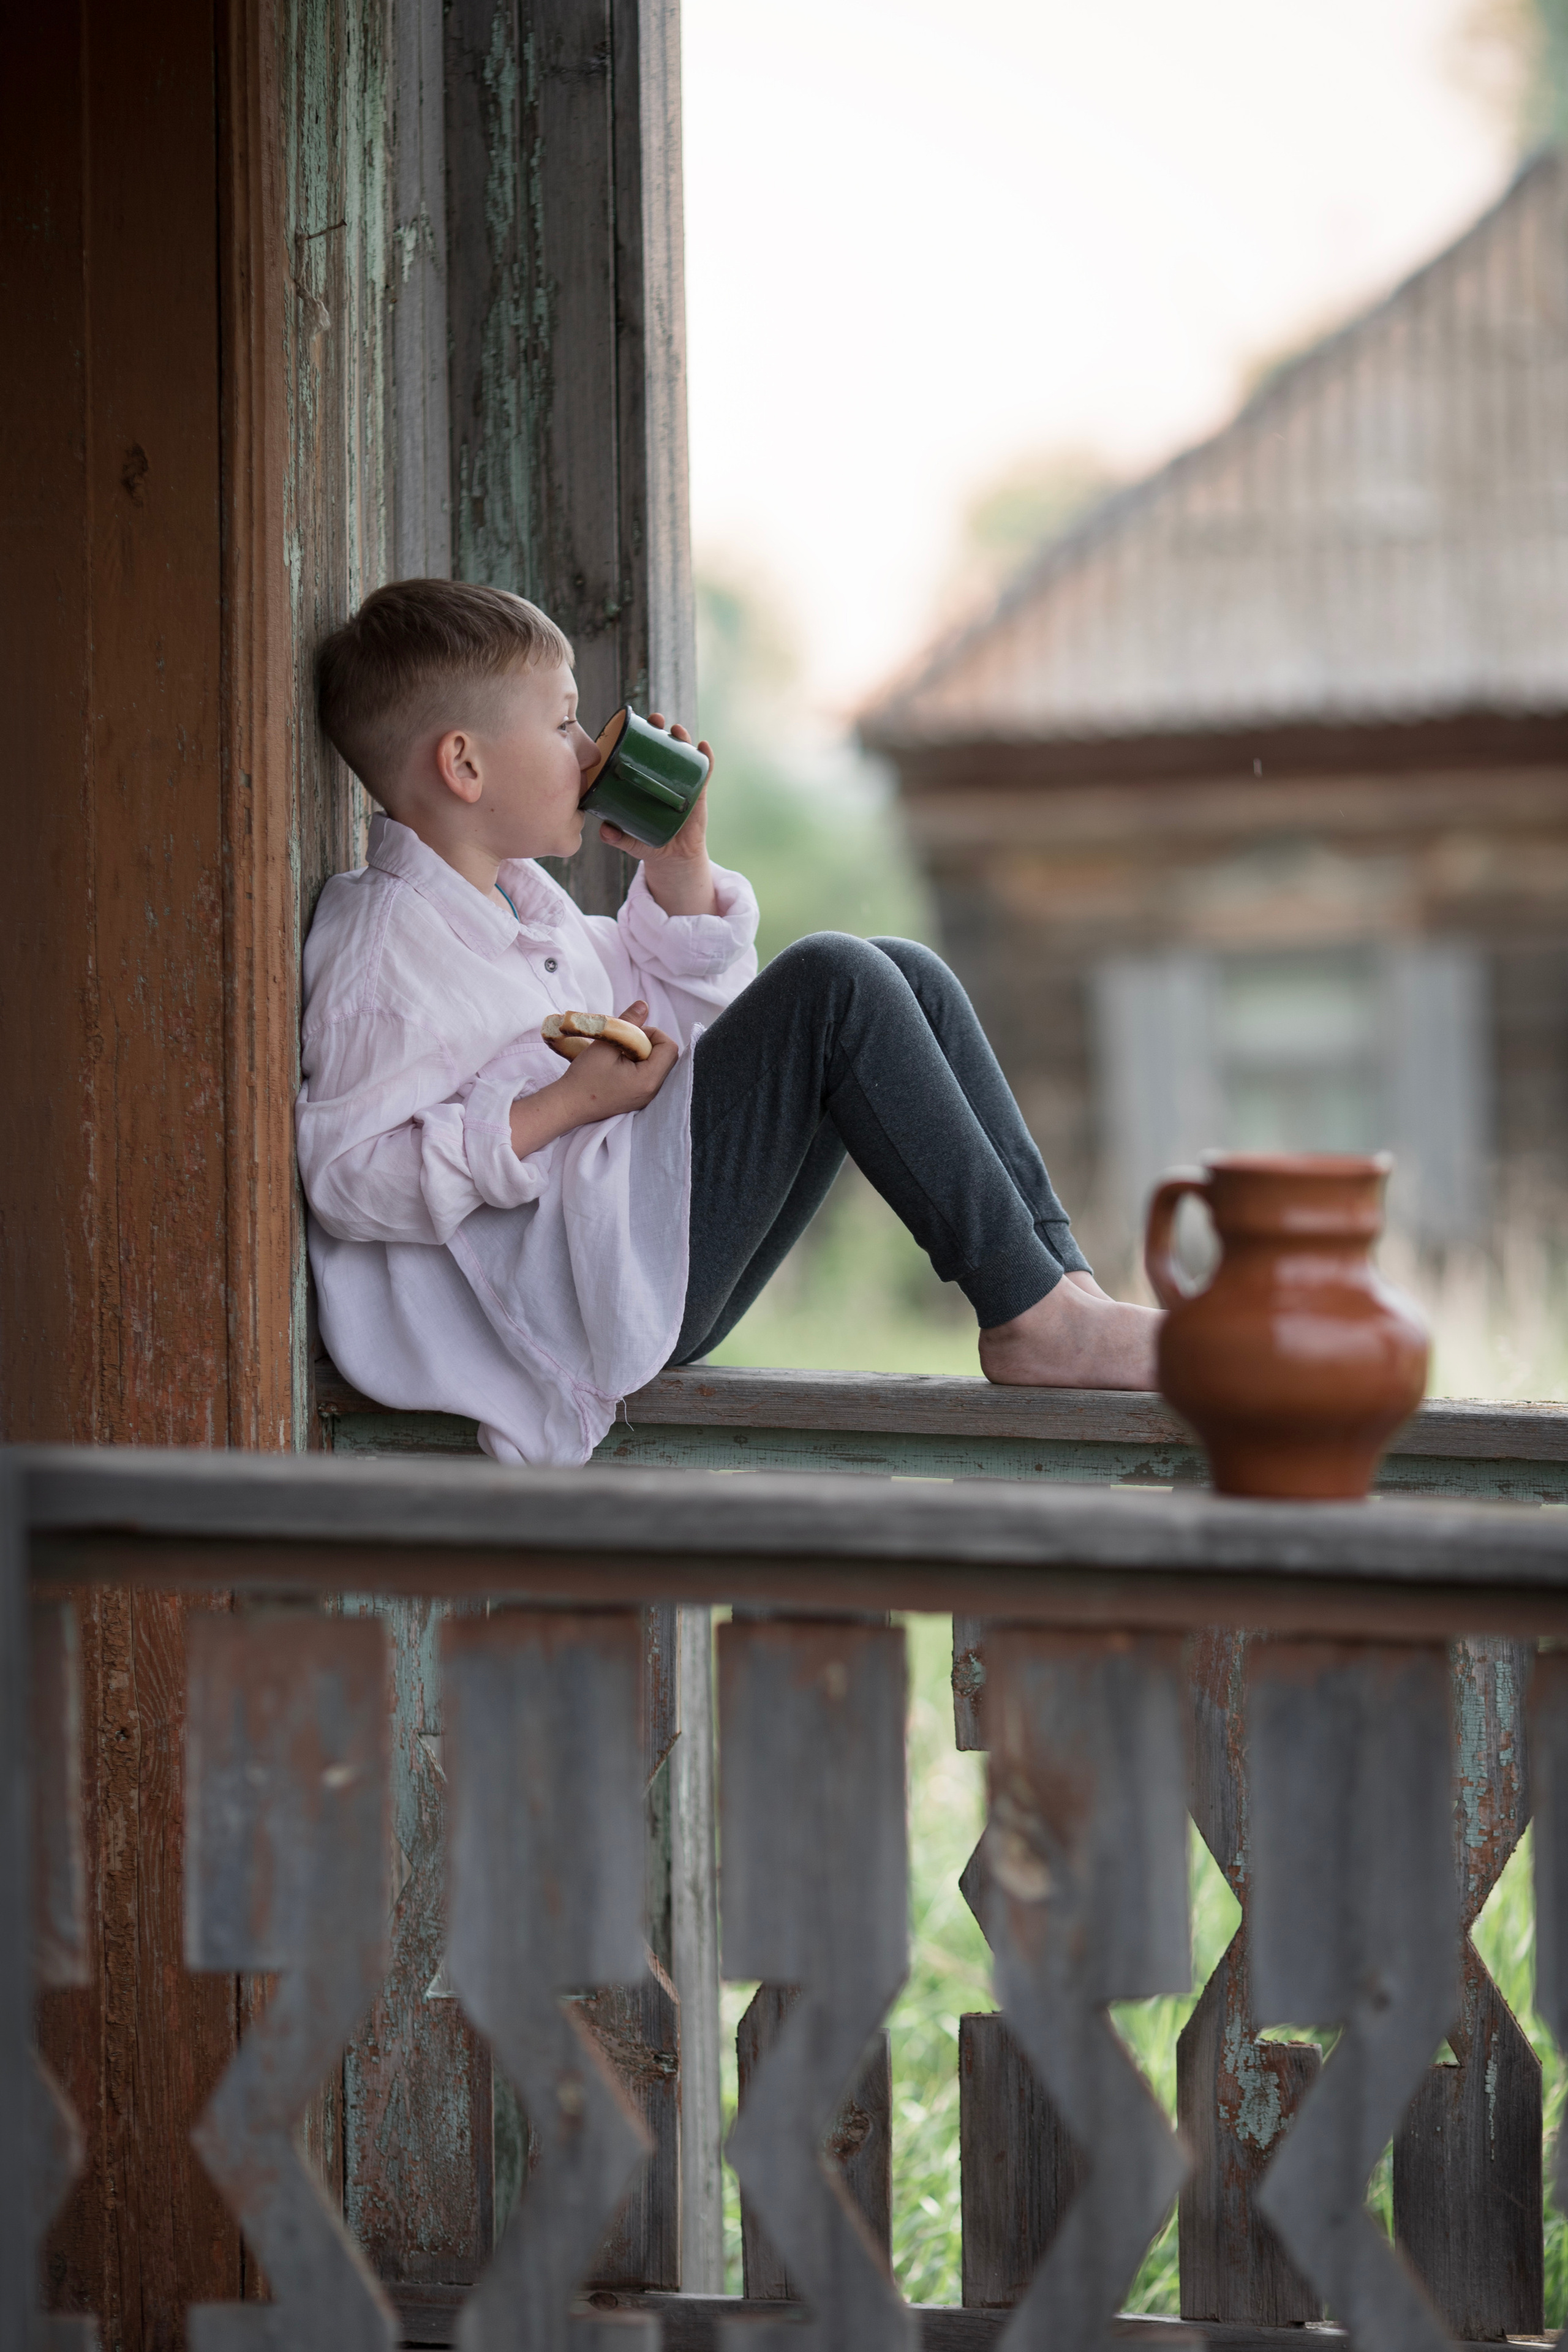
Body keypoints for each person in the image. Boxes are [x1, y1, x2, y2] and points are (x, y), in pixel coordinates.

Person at [297, 579, 1159, 1466]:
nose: (592, 750)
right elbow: (347, 1177)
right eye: (562, 725)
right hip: (572, 1309)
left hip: (633, 1254)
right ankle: (1035, 1322)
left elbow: (694, 1040)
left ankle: (1060, 1291)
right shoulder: (385, 948)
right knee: (837, 980)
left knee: (909, 974)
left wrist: (681, 870)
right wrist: (562, 1107)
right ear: (465, 767)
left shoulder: (522, 911)